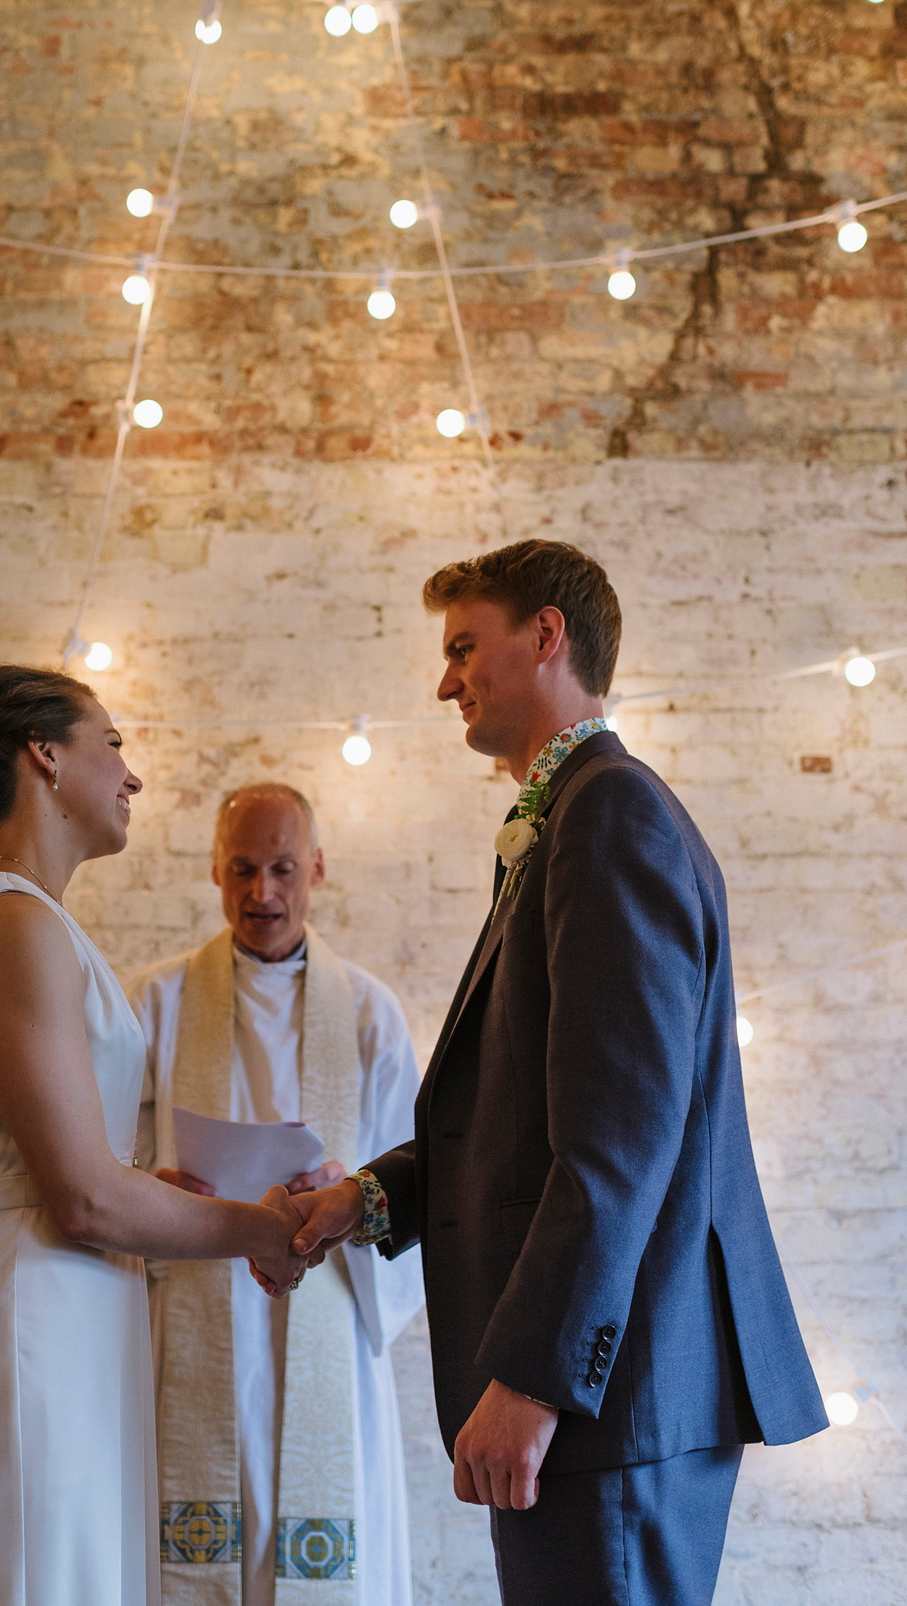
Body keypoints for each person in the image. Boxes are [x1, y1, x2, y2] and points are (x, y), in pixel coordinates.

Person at [287, 541, 828, 1606]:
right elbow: (516, 1118)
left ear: (545, 635)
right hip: (612, 1391)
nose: (445, 681)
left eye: (462, 647)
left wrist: (536, 1377)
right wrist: (366, 1199)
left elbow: (621, 1135)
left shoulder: (608, 812)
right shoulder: (571, 813)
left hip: (611, 1393)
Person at [0, 666, 305, 1606]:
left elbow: (64, 1166)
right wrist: (261, 1229)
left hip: (60, 1304)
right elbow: (83, 1196)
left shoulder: (34, 920)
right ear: (45, 756)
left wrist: (159, 1191)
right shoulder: (14, 924)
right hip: (22, 1327)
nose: (132, 776)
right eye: (115, 743)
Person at [129, 782, 425, 1605]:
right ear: (214, 872)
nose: (263, 893)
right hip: (190, 1317)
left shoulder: (369, 1012)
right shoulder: (157, 1002)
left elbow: (422, 1174)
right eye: (244, 869)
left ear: (318, 869)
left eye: (284, 869)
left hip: (325, 1308)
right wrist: (151, 1192)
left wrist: (358, 1190)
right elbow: (96, 1167)